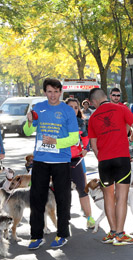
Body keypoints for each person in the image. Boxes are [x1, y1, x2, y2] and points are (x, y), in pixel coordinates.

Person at [23, 78, 79, 250]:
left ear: (60, 92)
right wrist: (30, 121)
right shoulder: (38, 107)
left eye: (56, 91)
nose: (53, 95)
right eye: (49, 91)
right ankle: (36, 236)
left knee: (63, 199)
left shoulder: (68, 111)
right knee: (36, 199)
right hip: (40, 160)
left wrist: (55, 141)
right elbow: (27, 131)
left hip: (61, 161)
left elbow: (74, 138)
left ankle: (62, 234)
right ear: (45, 92)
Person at [88, 88, 133, 245]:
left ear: (94, 102)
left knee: (108, 197)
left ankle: (111, 233)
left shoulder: (92, 118)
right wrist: (130, 138)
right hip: (121, 158)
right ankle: (120, 234)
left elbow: (93, 144)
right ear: (106, 96)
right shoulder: (121, 108)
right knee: (122, 197)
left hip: (104, 161)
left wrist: (101, 158)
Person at [65, 98, 95, 229]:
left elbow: (86, 139)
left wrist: (85, 149)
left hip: (76, 161)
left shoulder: (80, 122)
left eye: (75, 107)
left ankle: (89, 217)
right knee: (63, 192)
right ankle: (64, 217)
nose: (73, 109)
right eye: (70, 107)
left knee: (82, 189)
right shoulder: (59, 122)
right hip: (61, 162)